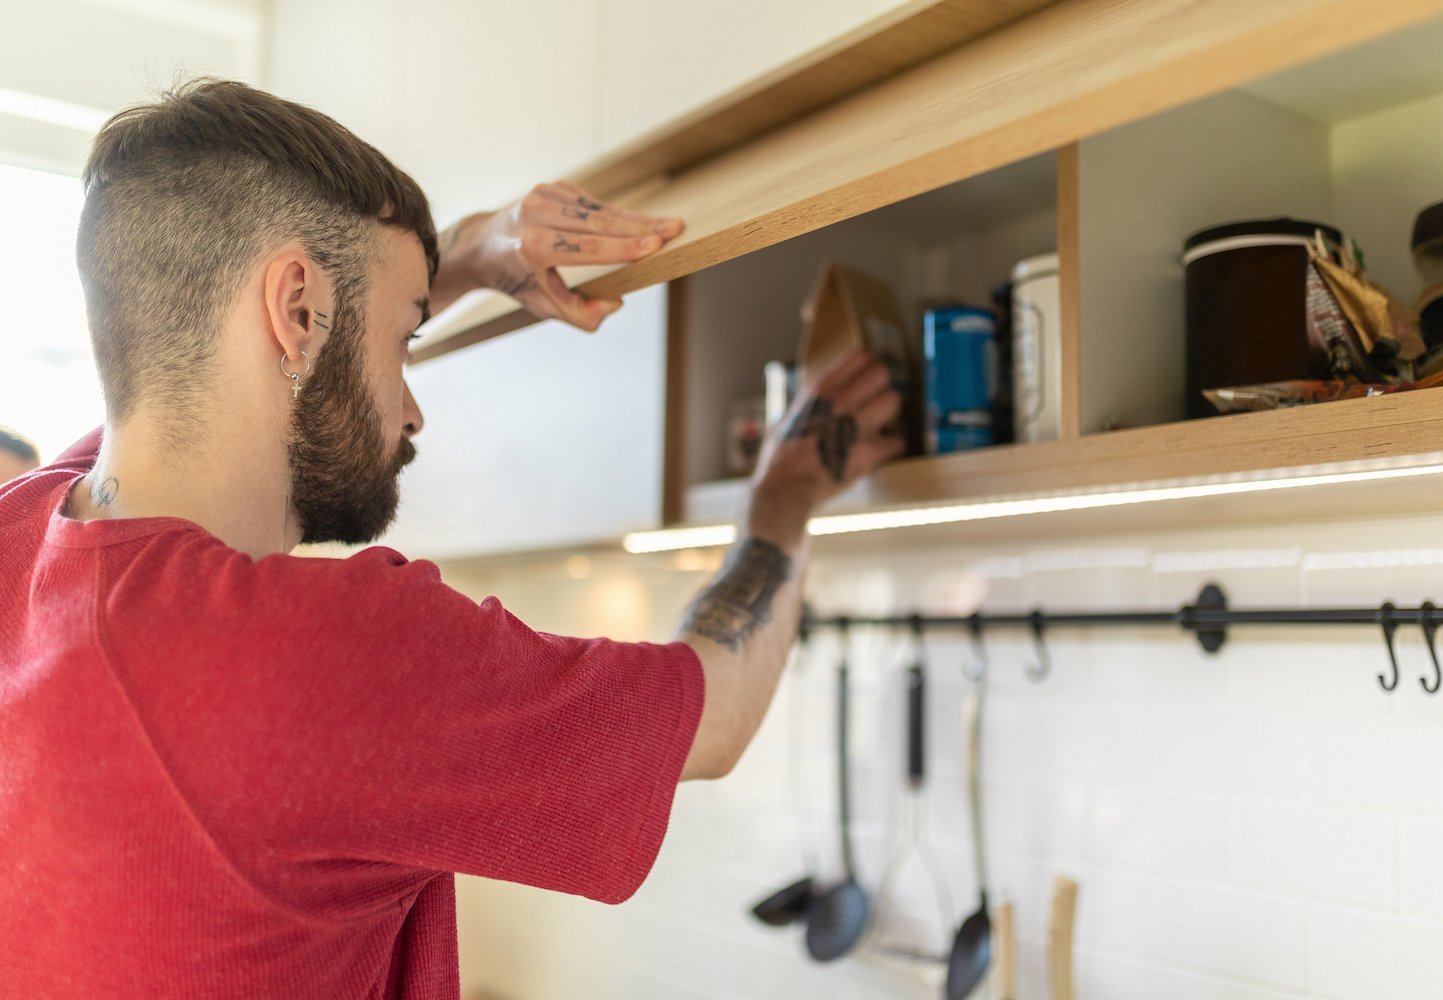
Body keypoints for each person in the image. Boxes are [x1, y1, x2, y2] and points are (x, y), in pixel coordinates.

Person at [0, 79, 903, 999]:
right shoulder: (322, 652)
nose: (410, 411)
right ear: (299, 311)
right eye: (402, 342)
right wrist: (785, 496)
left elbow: (203, 393)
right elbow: (709, 720)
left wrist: (448, 268)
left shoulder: (20, 535)